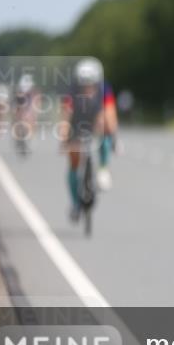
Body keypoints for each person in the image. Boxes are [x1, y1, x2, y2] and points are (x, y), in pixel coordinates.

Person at [59, 58, 117, 222]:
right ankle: (75, 203)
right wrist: (64, 137)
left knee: (105, 135)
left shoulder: (104, 89)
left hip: (96, 119)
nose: (87, 87)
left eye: (91, 83)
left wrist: (109, 131)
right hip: (76, 122)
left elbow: (110, 112)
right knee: (74, 161)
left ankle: (103, 169)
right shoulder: (71, 90)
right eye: (83, 84)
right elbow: (66, 114)